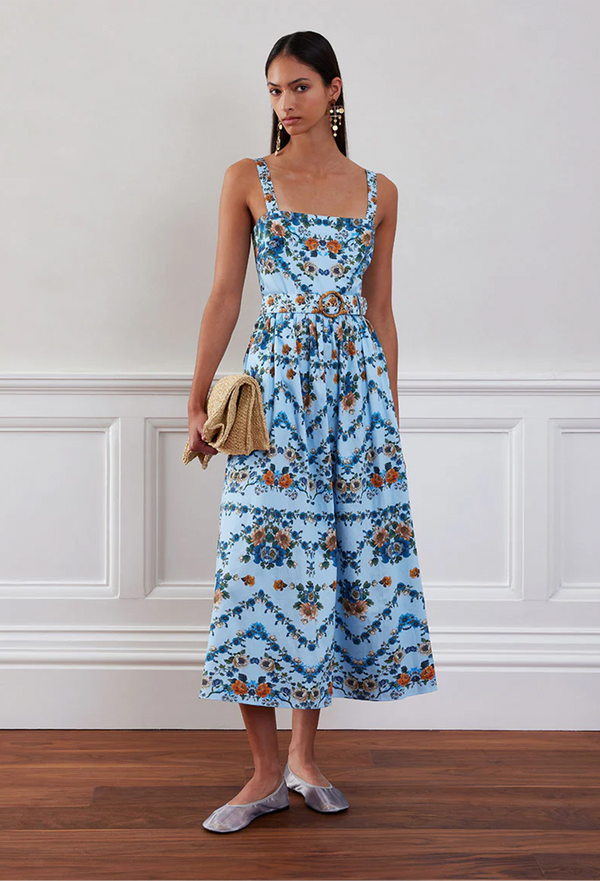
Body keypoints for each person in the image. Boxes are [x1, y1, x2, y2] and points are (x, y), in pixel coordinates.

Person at [187, 30, 439, 833]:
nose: (284, 104)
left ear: (335, 89)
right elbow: (226, 295)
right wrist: (196, 402)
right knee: (262, 574)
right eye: (273, 91)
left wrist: (387, 417)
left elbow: (381, 312)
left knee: (329, 571)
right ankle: (262, 773)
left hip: (355, 400)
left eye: (298, 87)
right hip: (274, 398)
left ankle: (303, 757)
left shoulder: (379, 191)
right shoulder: (247, 179)